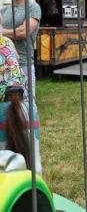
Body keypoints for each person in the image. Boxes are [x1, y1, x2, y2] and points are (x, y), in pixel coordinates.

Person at [0, 14, 42, 173]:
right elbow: (16, 57)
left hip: (2, 104)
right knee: (33, 161)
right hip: (24, 103)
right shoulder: (8, 41)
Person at [1, 0, 41, 93]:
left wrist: (2, 32)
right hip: (5, 67)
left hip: (24, 65)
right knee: (6, 108)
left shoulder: (32, 7)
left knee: (28, 106)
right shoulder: (4, 11)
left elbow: (23, 32)